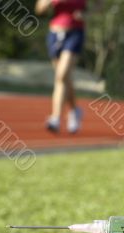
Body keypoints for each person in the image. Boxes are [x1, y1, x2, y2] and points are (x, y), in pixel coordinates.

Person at [35, 0, 86, 133]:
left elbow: (100, 5)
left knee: (61, 75)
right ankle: (75, 110)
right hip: (54, 34)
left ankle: (55, 118)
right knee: (64, 78)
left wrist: (88, 14)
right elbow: (39, 9)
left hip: (75, 34)